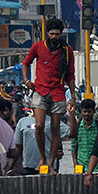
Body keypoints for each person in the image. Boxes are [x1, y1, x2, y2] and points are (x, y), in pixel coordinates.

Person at [23, 18, 75, 173]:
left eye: (57, 34)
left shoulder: (67, 50)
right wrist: (26, 81)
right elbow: (26, 63)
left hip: (58, 92)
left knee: (55, 128)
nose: (54, 37)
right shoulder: (38, 47)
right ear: (47, 34)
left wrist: (72, 96)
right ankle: (43, 159)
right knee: (39, 126)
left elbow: (70, 75)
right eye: (51, 34)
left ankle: (50, 163)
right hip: (40, 90)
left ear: (61, 34)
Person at [72, 99, 98, 173]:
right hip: (81, 168)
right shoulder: (77, 128)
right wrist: (75, 164)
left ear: (94, 111)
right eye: (85, 112)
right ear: (81, 111)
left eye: (89, 112)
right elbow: (74, 147)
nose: (87, 114)